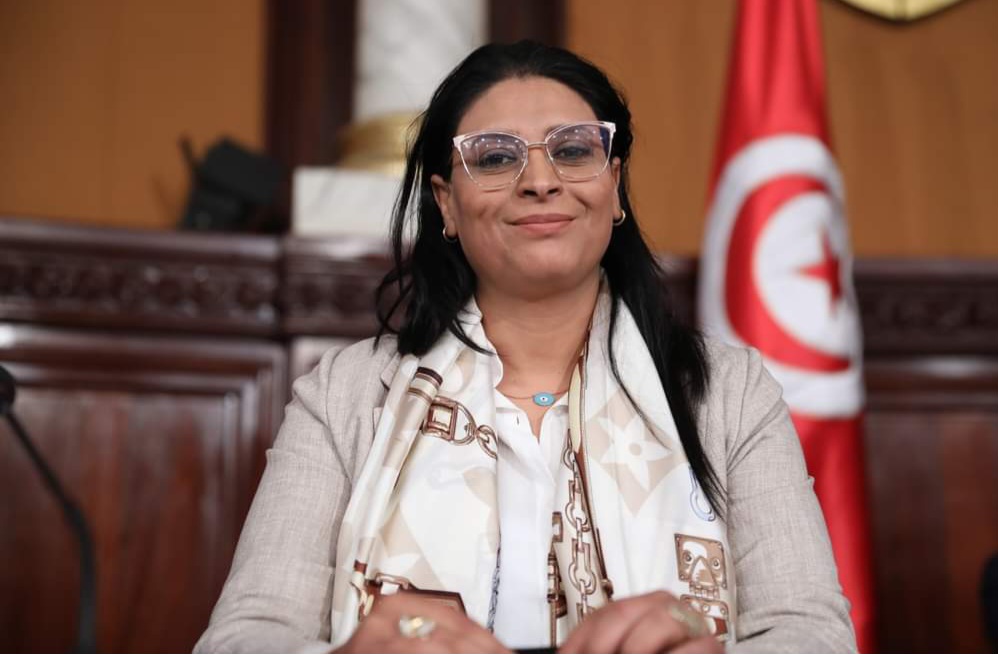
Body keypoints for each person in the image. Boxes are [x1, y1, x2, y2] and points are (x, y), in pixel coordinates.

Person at [195, 41, 857, 654]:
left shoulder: (727, 391)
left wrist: (697, 638)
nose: (540, 180)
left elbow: (813, 633)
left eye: (573, 150)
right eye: (494, 157)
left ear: (614, 186)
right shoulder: (345, 393)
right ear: (446, 203)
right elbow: (245, 637)